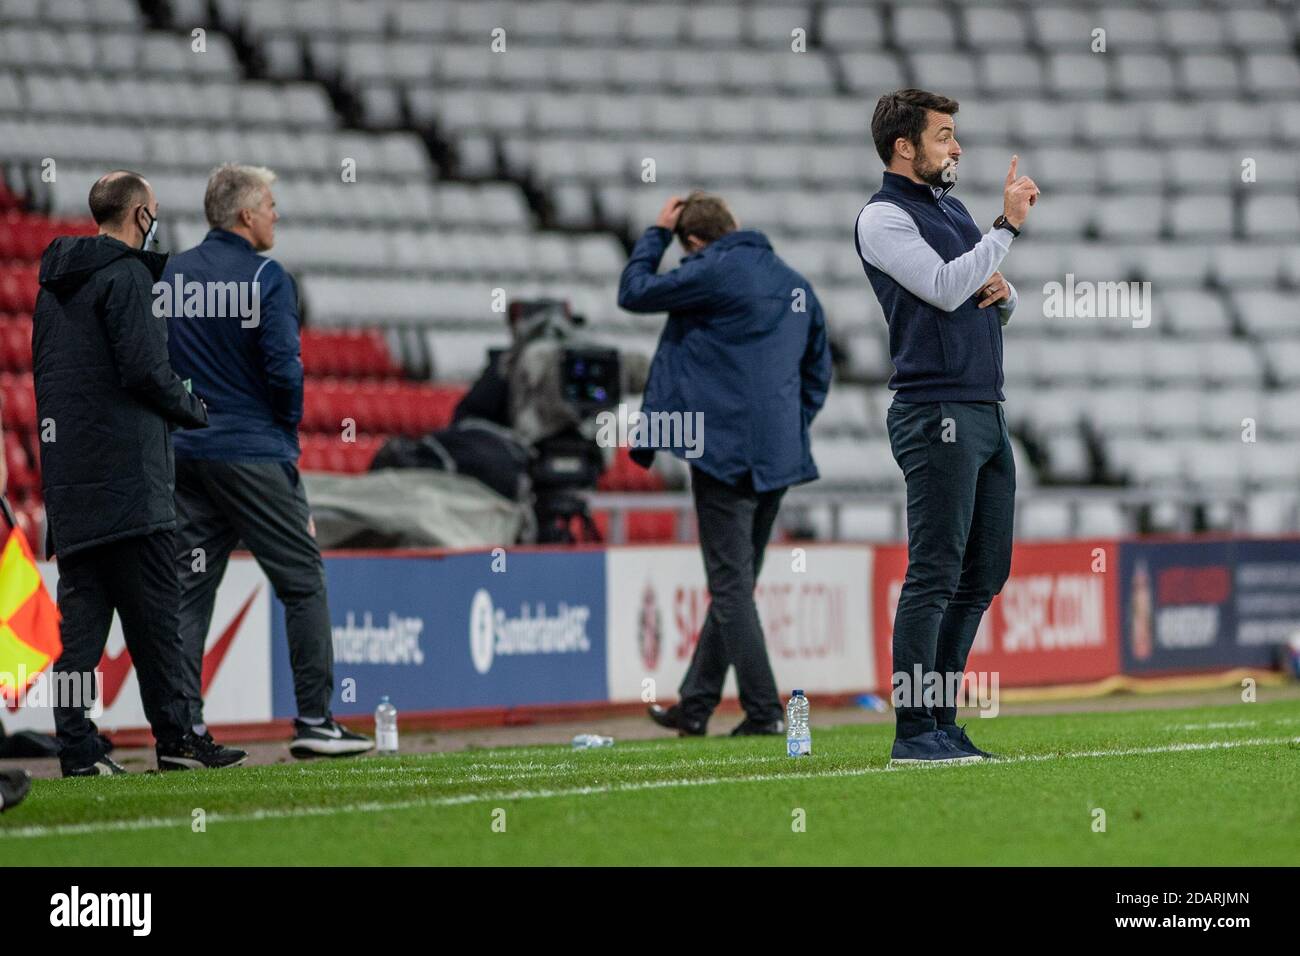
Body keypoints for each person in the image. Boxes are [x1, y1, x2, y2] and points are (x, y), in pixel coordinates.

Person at [34, 170, 247, 775]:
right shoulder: (128, 276)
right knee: (158, 626)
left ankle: (77, 750)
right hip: (132, 485)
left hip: (73, 489)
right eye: (153, 210)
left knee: (78, 639)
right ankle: (178, 740)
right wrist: (194, 409)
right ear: (140, 217)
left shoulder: (52, 288)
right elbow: (146, 371)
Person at [854, 89, 1038, 764]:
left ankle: (941, 719)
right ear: (905, 147)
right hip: (935, 412)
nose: (956, 148)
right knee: (933, 572)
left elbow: (979, 297)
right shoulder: (882, 218)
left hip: (985, 409)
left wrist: (1006, 293)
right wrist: (1006, 231)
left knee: (984, 571)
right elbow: (940, 285)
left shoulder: (951, 211)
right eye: (944, 136)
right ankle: (912, 731)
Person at [163, 164, 371, 758]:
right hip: (252, 450)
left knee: (188, 590)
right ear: (246, 215)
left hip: (186, 452)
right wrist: (283, 429)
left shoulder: (170, 274)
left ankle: (181, 734)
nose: (277, 213)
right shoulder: (266, 277)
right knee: (303, 581)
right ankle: (314, 721)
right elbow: (285, 367)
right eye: (271, 204)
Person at [619, 191, 831, 737]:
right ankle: (696, 705)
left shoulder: (711, 270)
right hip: (778, 455)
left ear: (693, 241)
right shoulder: (795, 283)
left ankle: (763, 713)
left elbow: (634, 292)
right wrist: (786, 424)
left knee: (731, 586)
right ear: (733, 224)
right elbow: (818, 372)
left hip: (722, 452)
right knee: (737, 582)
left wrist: (654, 234)